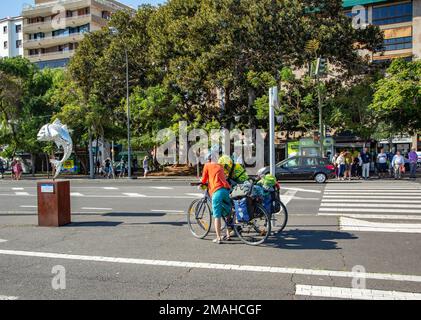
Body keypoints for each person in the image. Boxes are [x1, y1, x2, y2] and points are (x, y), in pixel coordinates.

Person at [201, 153, 231, 244]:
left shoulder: (207, 165)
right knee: (228, 212)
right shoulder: (220, 165)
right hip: (226, 190)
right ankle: (228, 234)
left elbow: (204, 179)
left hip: (216, 191)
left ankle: (218, 238)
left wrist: (201, 185)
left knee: (217, 216)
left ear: (208, 160)